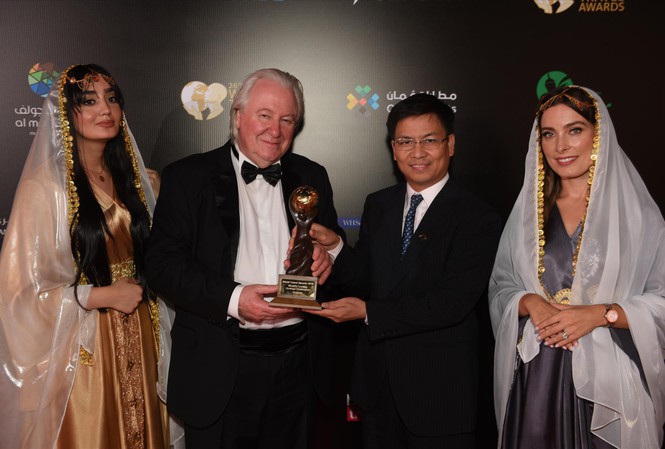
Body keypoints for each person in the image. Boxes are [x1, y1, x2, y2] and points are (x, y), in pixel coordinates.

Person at [144, 68, 345, 449]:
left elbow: (332, 244)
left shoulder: (312, 175)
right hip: (220, 366)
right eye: (265, 115)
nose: (276, 130)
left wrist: (329, 255)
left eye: (287, 119)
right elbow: (162, 265)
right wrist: (234, 299)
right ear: (237, 116)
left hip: (300, 368)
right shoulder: (188, 176)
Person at [305, 93, 502, 449]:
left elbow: (451, 303)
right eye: (406, 142)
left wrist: (368, 312)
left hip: (439, 393)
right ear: (393, 149)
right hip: (377, 388)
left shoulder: (477, 217)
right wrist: (336, 248)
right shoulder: (379, 204)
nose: (417, 152)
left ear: (450, 144)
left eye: (429, 140)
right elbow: (366, 278)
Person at [0, 64, 182, 448]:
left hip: (142, 334)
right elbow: (20, 292)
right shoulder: (46, 189)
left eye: (111, 99)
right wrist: (99, 295)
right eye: (88, 101)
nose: (105, 109)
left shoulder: (142, 181)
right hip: (85, 348)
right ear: (66, 113)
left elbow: (165, 258)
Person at [489, 86, 665, 448]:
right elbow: (501, 287)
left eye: (575, 130)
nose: (561, 146)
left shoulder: (637, 217)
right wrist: (528, 302)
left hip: (610, 386)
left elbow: (661, 300)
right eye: (548, 134)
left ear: (598, 134)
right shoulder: (528, 215)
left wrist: (601, 314)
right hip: (537, 379)